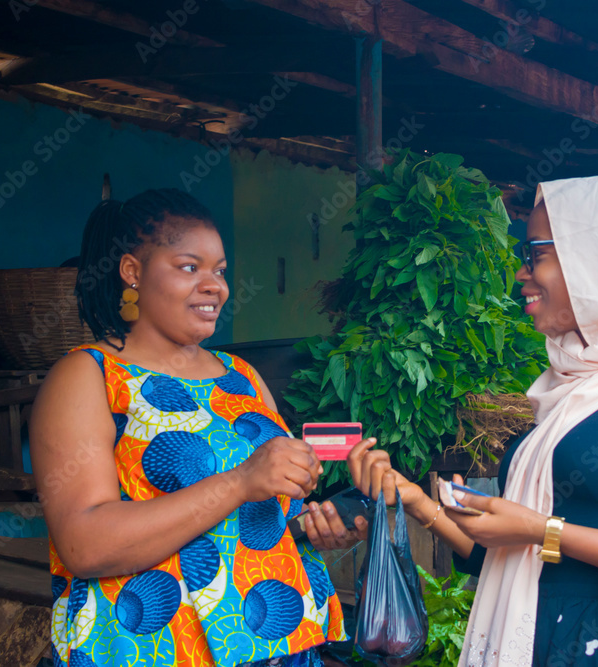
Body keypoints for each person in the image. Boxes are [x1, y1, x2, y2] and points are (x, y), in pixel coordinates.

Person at [346, 175, 598, 666]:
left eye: (537, 254)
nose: (521, 273)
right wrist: (413, 499)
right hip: (537, 638)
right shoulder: (565, 384)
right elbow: (501, 558)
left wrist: (545, 531)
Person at [30, 189, 365, 667]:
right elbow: (84, 544)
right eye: (190, 267)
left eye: (221, 271)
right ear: (132, 272)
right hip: (151, 651)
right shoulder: (89, 376)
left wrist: (315, 529)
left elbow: (264, 519)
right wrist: (240, 481)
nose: (216, 287)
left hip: (278, 646)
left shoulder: (241, 377)